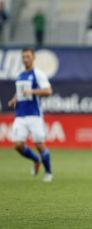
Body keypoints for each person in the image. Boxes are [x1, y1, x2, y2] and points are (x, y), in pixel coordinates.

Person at [7, 48, 53, 182]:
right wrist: (15, 99)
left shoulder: (38, 74)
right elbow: (20, 92)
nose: (25, 59)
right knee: (17, 145)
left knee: (39, 144)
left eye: (28, 57)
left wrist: (32, 92)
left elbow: (48, 91)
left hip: (34, 115)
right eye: (23, 57)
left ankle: (48, 172)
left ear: (33, 58)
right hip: (20, 115)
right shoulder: (20, 75)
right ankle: (36, 160)